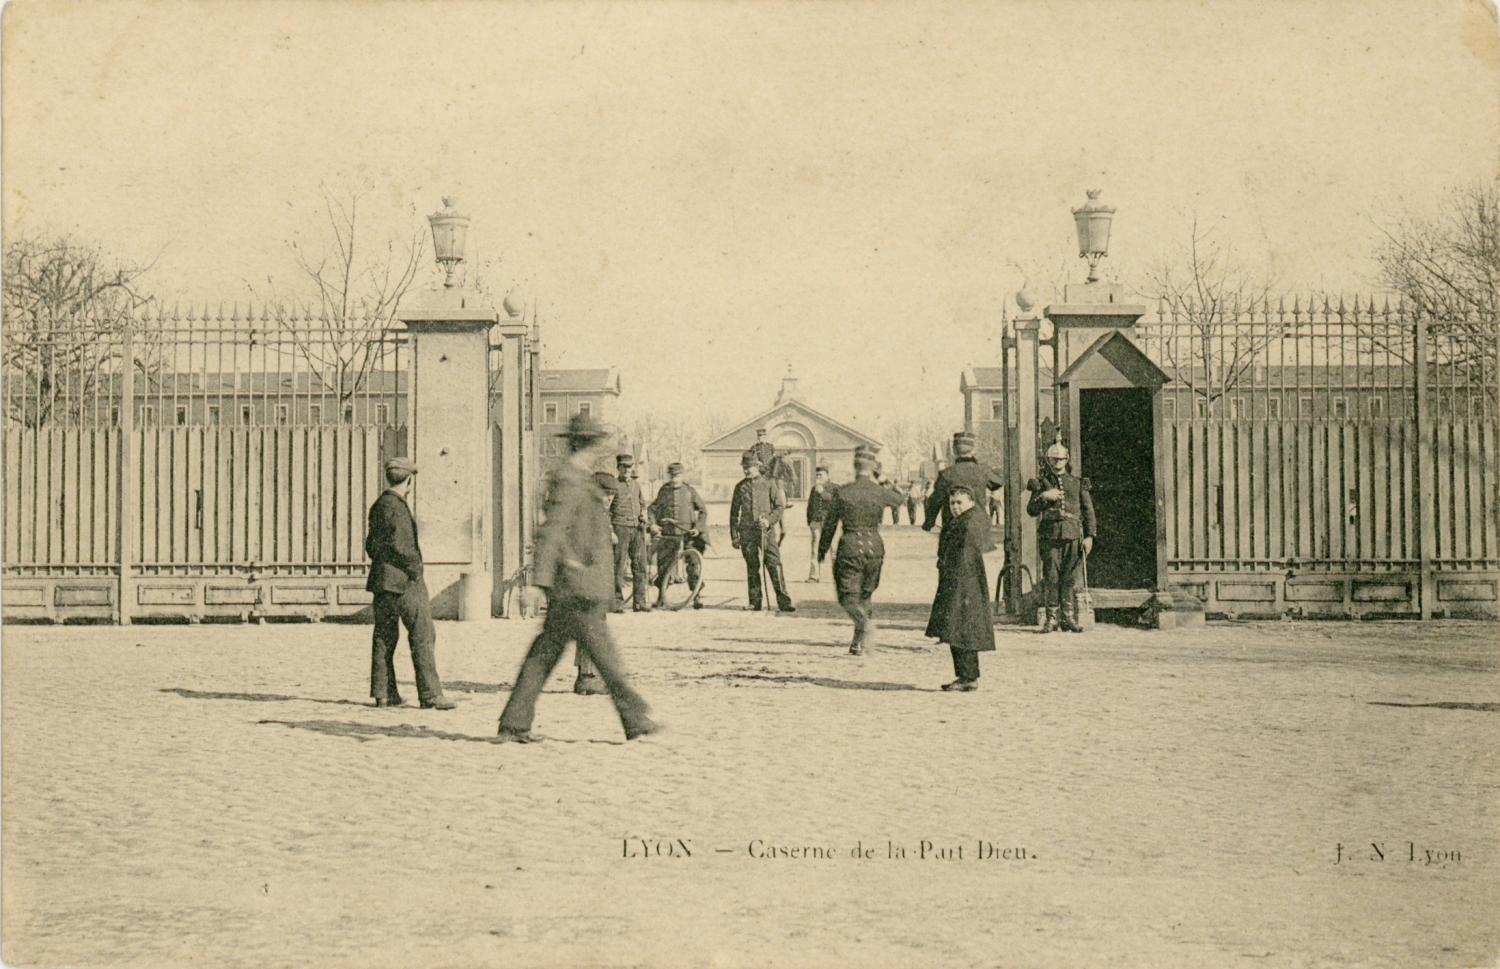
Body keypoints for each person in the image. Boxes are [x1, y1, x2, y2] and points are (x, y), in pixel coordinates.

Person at [498, 414, 660, 743]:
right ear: (585, 444)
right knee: (605, 658)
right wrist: (538, 583)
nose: (600, 450)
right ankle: (636, 720)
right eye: (595, 443)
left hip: (576, 584)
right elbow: (552, 530)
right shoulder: (569, 477)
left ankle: (514, 723)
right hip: (577, 585)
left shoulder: (578, 475)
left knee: (544, 655)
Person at [364, 455, 456, 710]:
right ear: (409, 480)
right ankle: (430, 695)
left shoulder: (378, 505)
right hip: (405, 583)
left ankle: (383, 694)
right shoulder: (399, 507)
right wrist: (416, 570)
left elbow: (370, 546)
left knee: (384, 636)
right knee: (423, 635)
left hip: (382, 583)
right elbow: (403, 547)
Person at [818, 446, 905, 654]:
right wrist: (883, 478)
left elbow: (830, 525)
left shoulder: (843, 492)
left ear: (855, 466)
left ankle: (864, 626)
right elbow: (899, 498)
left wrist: (821, 550)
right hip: (874, 547)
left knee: (848, 597)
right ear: (872, 467)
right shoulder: (879, 491)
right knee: (865, 595)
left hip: (850, 547)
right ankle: (857, 642)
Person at [926, 485, 997, 691]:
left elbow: (965, 554)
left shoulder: (969, 523)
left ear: (971, 502)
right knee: (958, 629)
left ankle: (968, 677)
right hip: (960, 581)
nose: (955, 507)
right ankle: (966, 676)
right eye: (952, 503)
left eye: (959, 503)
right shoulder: (965, 520)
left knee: (962, 628)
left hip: (963, 582)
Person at [1026, 441, 1096, 633]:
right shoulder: (1041, 483)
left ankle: (1068, 617)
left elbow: (1088, 511)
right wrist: (1044, 497)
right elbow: (1031, 510)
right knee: (1052, 576)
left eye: (1061, 459)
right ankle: (1052, 619)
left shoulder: (1077, 482)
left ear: (1067, 460)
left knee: (1069, 578)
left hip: (1073, 534)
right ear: (1048, 460)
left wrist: (1090, 536)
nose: (1058, 462)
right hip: (1050, 536)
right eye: (1054, 459)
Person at [729, 454, 795, 612]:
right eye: (744, 467)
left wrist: (769, 521)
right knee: (752, 567)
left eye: (749, 467)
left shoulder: (769, 484)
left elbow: (779, 507)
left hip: (766, 532)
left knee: (774, 564)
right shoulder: (740, 487)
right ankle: (755, 602)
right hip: (747, 533)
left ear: (757, 466)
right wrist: (734, 536)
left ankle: (784, 601)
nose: (746, 470)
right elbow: (733, 513)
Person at [648, 461, 708, 609]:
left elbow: (703, 511)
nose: (675, 479)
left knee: (694, 565)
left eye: (678, 475)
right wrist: (653, 524)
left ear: (682, 475)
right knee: (664, 565)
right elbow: (651, 509)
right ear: (669, 476)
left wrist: (698, 528)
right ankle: (661, 596)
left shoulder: (690, 491)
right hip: (669, 534)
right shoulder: (664, 491)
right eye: (673, 476)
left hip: (688, 534)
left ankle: (696, 597)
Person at [923, 431, 1003, 532]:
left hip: (952, 530)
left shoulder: (945, 474)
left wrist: (928, 523)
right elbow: (998, 482)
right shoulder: (983, 471)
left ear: (954, 450)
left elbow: (934, 501)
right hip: (977, 530)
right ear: (973, 450)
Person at [609, 453, 651, 613]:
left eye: (629, 467)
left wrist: (644, 514)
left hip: (636, 528)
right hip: (620, 528)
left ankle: (639, 602)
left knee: (640, 565)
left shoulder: (636, 485)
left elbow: (642, 503)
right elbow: (606, 510)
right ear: (618, 468)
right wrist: (611, 531)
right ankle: (617, 602)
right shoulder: (613, 485)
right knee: (618, 566)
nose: (627, 470)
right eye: (624, 467)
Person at [804, 465, 835, 582]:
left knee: (834, 550)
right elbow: (810, 506)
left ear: (827, 476)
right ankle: (814, 575)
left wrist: (823, 493)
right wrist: (810, 521)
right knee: (815, 549)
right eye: (817, 475)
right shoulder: (814, 489)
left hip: (831, 523)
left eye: (820, 475)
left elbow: (836, 503)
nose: (818, 477)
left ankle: (837, 577)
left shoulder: (834, 488)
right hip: (816, 522)